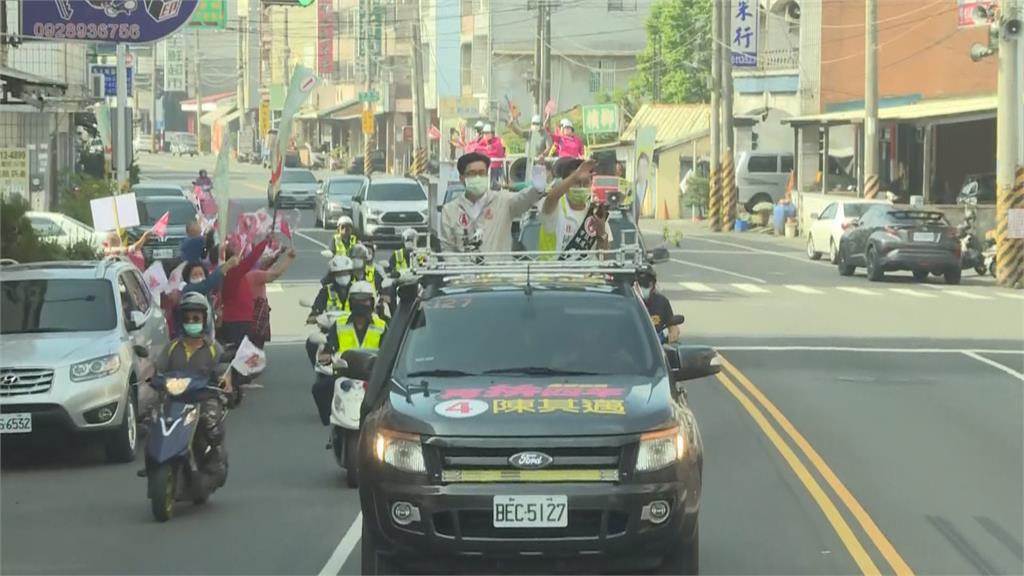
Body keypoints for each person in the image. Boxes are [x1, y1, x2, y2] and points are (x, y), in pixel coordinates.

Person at [139, 292, 227, 487]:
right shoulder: (172, 347)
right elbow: (157, 369)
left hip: (203, 398)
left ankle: (214, 463)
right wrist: (148, 377)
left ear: (205, 320)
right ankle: (153, 462)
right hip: (173, 400)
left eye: (196, 318)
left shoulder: (214, 349)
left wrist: (223, 382)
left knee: (209, 423)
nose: (191, 322)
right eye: (187, 318)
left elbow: (223, 374)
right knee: (150, 422)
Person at [311, 281, 387, 425]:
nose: (361, 304)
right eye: (357, 300)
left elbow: (389, 350)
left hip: (373, 375)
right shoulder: (339, 324)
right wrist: (326, 356)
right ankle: (331, 423)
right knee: (318, 389)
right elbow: (328, 348)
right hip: (346, 372)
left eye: (365, 300)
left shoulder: (382, 325)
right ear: (350, 302)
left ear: (372, 302)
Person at [439, 152, 545, 253]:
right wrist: (462, 269)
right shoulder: (449, 210)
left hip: (497, 270)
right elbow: (447, 249)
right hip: (464, 270)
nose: (478, 177)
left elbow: (527, 197)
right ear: (462, 179)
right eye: (472, 174)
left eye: (482, 173)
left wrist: (539, 181)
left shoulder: (504, 201)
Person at [538, 157, 611, 255]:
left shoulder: (596, 213)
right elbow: (551, 198)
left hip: (587, 270)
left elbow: (603, 258)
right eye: (576, 182)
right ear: (566, 183)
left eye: (585, 183)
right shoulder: (556, 207)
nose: (581, 187)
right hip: (555, 269)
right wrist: (575, 176)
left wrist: (601, 234)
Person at [219, 235, 271, 351]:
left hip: (239, 320)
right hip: (237, 322)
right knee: (239, 355)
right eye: (235, 256)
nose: (239, 258)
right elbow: (250, 261)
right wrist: (264, 242)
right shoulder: (232, 273)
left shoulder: (231, 274)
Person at [305, 255, 355, 365]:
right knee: (311, 344)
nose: (343, 276)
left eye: (345, 273)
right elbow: (315, 312)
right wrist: (315, 318)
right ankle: (319, 369)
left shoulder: (357, 289)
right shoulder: (325, 291)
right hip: (329, 333)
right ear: (333, 275)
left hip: (353, 331)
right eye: (339, 274)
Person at [248, 246, 297, 348]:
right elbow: (276, 274)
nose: (262, 259)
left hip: (247, 318)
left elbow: (265, 264)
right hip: (256, 318)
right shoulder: (255, 275)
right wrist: (289, 258)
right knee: (255, 350)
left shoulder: (243, 273)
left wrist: (278, 253)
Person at [638, 267, 679, 344]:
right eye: (640, 284)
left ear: (653, 284)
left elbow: (673, 327)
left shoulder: (661, 302)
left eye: (647, 284)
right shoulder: (623, 303)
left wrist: (673, 335)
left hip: (657, 344)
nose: (643, 287)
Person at [479, 124, 506, 188]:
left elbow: (497, 151)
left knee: (494, 185)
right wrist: (484, 149)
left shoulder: (497, 141)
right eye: (484, 133)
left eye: (488, 133)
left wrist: (485, 150)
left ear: (492, 134)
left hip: (495, 167)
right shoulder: (482, 141)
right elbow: (475, 148)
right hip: (484, 167)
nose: (485, 135)